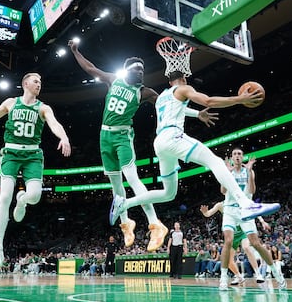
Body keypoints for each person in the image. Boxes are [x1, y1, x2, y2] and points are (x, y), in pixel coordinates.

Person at [68, 41, 216, 251]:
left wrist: (196, 113)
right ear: (127, 70)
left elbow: (169, 105)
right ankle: (126, 223)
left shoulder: (145, 92)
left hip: (122, 137)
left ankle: (155, 224)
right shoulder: (113, 80)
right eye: (137, 69)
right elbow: (90, 68)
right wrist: (75, 51)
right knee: (116, 186)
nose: (141, 73)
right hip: (104, 136)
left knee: (133, 179)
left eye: (143, 70)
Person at [110, 71, 280, 226]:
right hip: (173, 136)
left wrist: (198, 114)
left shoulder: (162, 96)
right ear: (183, 79)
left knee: (168, 193)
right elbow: (208, 101)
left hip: (160, 143)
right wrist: (239, 99)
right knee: (215, 161)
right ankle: (245, 203)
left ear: (169, 82)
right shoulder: (183, 89)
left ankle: (124, 203)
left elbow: (179, 109)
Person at [0, 73, 71, 269]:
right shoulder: (11, 102)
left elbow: (55, 124)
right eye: (36, 81)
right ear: (25, 83)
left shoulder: (43, 108)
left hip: (32, 155)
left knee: (35, 196)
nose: (39, 84)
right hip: (11, 152)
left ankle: (22, 200)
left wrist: (63, 137)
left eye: (41, 81)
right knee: (4, 197)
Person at [215, 147, 285, 290]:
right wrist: (226, 174)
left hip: (245, 209)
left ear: (243, 156)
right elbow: (223, 191)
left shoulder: (249, 172)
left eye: (239, 154)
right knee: (228, 241)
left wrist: (249, 173)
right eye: (234, 154)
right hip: (230, 209)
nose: (237, 156)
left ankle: (276, 273)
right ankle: (223, 278)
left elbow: (252, 191)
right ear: (232, 158)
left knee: (256, 243)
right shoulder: (227, 172)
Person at [200, 201, 267, 285]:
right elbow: (208, 214)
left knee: (246, 247)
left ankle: (258, 274)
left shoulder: (240, 201)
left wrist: (262, 221)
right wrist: (205, 212)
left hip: (242, 231)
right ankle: (239, 277)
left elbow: (253, 209)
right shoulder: (220, 205)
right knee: (227, 260)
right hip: (231, 234)